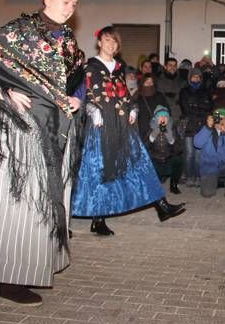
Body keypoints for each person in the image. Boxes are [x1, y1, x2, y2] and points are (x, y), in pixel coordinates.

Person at [0, 0, 85, 306]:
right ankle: (11, 279)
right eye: (65, 2)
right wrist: (5, 92)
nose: (70, 9)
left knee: (44, 199)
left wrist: (77, 100)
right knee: (20, 201)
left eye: (75, 4)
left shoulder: (70, 42)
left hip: (56, 127)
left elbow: (77, 81)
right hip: (23, 128)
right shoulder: (21, 31)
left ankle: (20, 266)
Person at [71, 27, 185, 235]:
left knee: (140, 162)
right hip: (101, 125)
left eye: (114, 42)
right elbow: (86, 94)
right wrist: (93, 111)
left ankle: (161, 206)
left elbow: (124, 94)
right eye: (107, 40)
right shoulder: (90, 67)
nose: (111, 45)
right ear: (99, 43)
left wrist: (133, 108)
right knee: (100, 171)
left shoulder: (119, 67)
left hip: (122, 124)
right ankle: (98, 219)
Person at [193, 108, 225, 198]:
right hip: (209, 167)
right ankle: (218, 181)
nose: (220, 122)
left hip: (224, 165)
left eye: (223, 119)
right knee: (207, 193)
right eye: (218, 119)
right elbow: (197, 144)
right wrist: (207, 128)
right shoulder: (207, 130)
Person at [179, 67, 214, 187]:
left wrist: (195, 106)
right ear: (189, 77)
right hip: (188, 125)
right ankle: (189, 177)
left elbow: (209, 108)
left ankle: (198, 176)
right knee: (189, 154)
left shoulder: (205, 91)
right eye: (194, 76)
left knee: (199, 155)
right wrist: (199, 107)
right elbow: (185, 109)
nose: (196, 78)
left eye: (198, 76)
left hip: (201, 127)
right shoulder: (184, 91)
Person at [145, 105, 184, 195]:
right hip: (156, 160)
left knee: (179, 160)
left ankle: (173, 185)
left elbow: (179, 149)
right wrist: (152, 136)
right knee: (151, 170)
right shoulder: (150, 129)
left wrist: (171, 140)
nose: (162, 119)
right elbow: (145, 148)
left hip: (168, 159)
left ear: (168, 119)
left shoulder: (173, 129)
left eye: (165, 116)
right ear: (155, 119)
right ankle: (156, 182)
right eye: (160, 116)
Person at [157, 56, 185, 125]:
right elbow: (159, 99)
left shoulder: (182, 81)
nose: (173, 68)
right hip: (165, 115)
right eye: (170, 65)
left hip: (179, 116)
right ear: (165, 66)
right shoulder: (159, 81)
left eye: (175, 65)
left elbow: (184, 99)